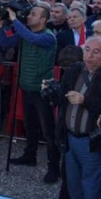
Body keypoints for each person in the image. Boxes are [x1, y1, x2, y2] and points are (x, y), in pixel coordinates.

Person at [0, 3, 60, 183]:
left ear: (43, 20)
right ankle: (29, 155)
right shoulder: (24, 34)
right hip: (27, 87)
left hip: (42, 90)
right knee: (30, 125)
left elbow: (32, 39)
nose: (29, 16)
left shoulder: (48, 37)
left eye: (33, 14)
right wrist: (0, 26)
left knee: (48, 131)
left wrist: (15, 20)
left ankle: (54, 167)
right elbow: (6, 42)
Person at [47, 36, 101, 199]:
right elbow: (62, 97)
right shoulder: (75, 69)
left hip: (90, 141)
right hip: (70, 139)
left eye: (96, 52)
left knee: (91, 186)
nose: (89, 56)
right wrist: (51, 91)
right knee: (73, 184)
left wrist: (84, 100)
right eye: (87, 50)